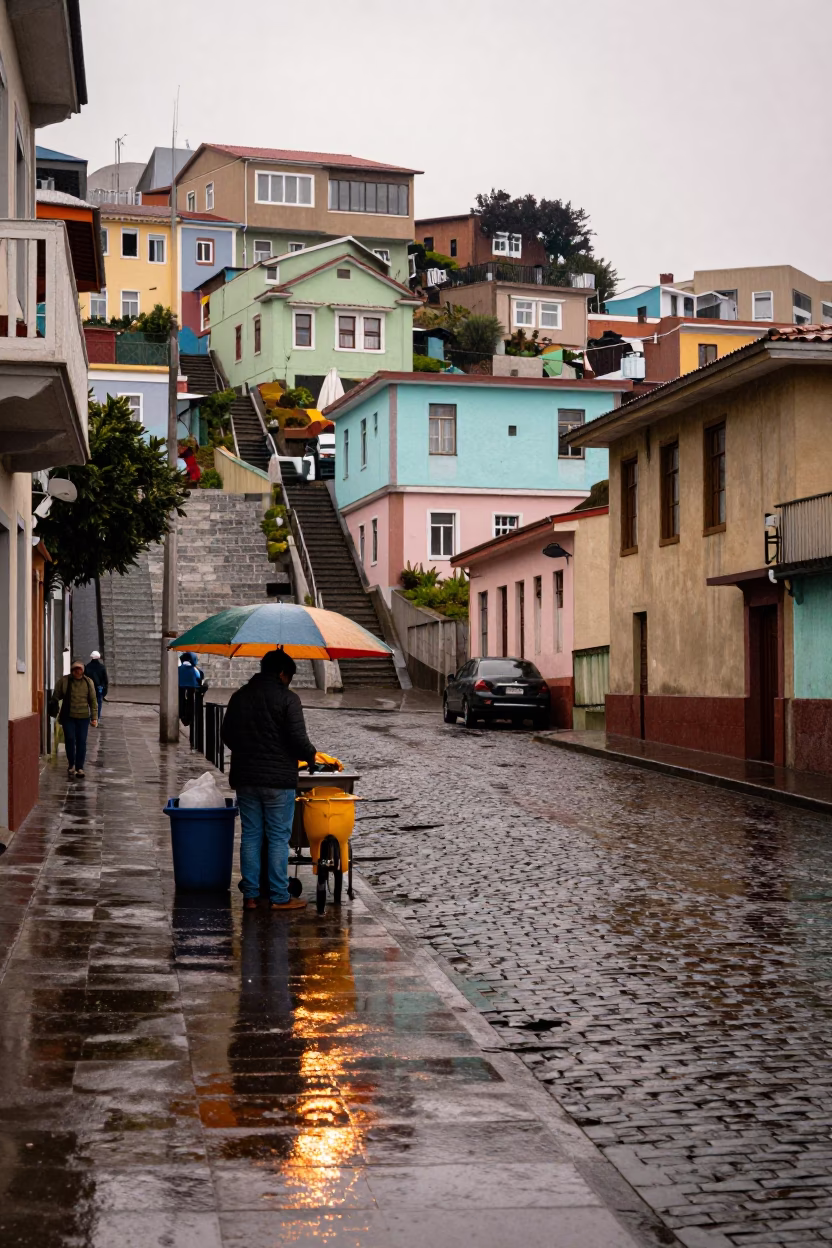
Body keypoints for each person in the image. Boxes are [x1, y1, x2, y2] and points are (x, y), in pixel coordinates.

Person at [221, 649, 316, 912]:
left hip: (246, 777)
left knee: (251, 834)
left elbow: (227, 734)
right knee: (277, 837)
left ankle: (250, 896)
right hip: (278, 780)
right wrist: (310, 756)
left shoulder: (239, 696)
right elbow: (298, 740)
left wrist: (248, 750)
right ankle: (278, 896)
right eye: (290, 677)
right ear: (283, 673)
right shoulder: (288, 699)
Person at [54, 659, 98, 778]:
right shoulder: (64, 681)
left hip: (83, 718)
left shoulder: (88, 682)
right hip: (68, 717)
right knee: (69, 739)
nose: (77, 671)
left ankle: (80, 767)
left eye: (80, 669)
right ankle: (71, 765)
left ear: (83, 671)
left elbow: (93, 701)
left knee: (81, 741)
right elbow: (56, 695)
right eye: (75, 669)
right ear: (72, 670)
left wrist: (94, 717)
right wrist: (53, 705)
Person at [178, 651, 205, 727]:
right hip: (192, 688)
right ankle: (190, 716)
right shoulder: (194, 669)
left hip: (181, 687)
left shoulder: (179, 668)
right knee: (191, 702)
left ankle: (181, 714)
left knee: (181, 700)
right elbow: (199, 677)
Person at [85, 650, 109, 721]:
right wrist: (105, 689)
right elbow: (105, 679)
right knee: (99, 702)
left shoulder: (87, 667)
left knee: (90, 701)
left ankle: (91, 715)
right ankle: (97, 717)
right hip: (99, 688)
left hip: (90, 687)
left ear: (91, 657)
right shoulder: (102, 667)